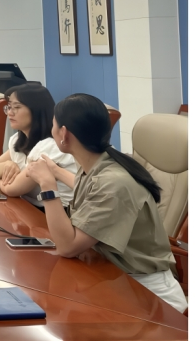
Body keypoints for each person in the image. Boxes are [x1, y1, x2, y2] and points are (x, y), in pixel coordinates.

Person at [25, 94, 187, 313]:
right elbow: (91, 190)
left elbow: (67, 246)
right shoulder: (99, 163)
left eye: (53, 126)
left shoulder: (114, 182)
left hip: (147, 295)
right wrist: (55, 171)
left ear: (63, 134)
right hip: (113, 277)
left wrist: (47, 185)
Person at [0, 84, 77, 209]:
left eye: (17, 107)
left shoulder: (50, 147)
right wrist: (7, 165)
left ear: (36, 110)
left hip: (59, 211)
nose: (10, 113)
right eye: (9, 107)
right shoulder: (18, 139)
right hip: (29, 206)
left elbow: (12, 189)